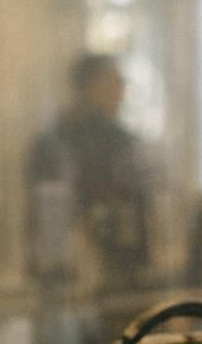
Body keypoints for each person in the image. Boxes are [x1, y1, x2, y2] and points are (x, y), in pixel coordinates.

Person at [26, 54, 154, 290]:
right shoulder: (61, 140)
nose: (121, 91)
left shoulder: (120, 141)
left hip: (114, 265)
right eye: (114, 82)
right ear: (90, 87)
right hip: (77, 264)